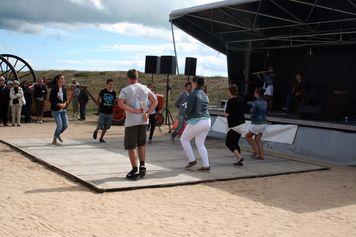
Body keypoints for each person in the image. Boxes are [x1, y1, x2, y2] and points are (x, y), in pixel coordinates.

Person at [118, 69, 158, 181]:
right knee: (141, 144)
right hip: (144, 120)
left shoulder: (125, 90)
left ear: (128, 78)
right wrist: (148, 113)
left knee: (131, 146)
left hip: (131, 121)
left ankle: (134, 169)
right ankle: (143, 165)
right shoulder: (145, 88)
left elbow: (120, 103)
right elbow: (155, 101)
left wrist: (133, 110)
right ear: (137, 77)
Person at [180, 76, 211, 172]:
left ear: (195, 83)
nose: (191, 84)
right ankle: (206, 166)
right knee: (200, 143)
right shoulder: (204, 94)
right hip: (207, 121)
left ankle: (192, 160)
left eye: (192, 83)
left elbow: (189, 109)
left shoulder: (193, 94)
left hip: (197, 121)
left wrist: (185, 115)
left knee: (184, 139)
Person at [224, 85, 249, 166]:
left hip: (235, 125)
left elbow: (226, 113)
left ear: (230, 91)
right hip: (242, 123)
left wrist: (227, 114)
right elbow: (246, 109)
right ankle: (239, 160)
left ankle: (239, 157)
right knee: (235, 142)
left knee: (228, 142)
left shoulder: (230, 101)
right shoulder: (241, 99)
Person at [245, 88, 268, 160]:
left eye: (255, 92)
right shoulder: (265, 102)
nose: (254, 93)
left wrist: (251, 117)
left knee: (247, 137)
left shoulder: (256, 102)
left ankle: (255, 151)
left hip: (257, 123)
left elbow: (253, 114)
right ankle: (261, 155)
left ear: (257, 93)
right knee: (258, 139)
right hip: (264, 123)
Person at [49, 74, 68, 145]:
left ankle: (58, 133)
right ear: (58, 80)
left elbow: (65, 99)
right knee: (60, 125)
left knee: (65, 125)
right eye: (62, 79)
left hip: (63, 110)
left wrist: (65, 104)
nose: (63, 80)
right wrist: (59, 104)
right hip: (56, 110)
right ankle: (54, 140)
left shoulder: (64, 89)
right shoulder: (54, 88)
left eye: (64, 79)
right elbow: (51, 100)